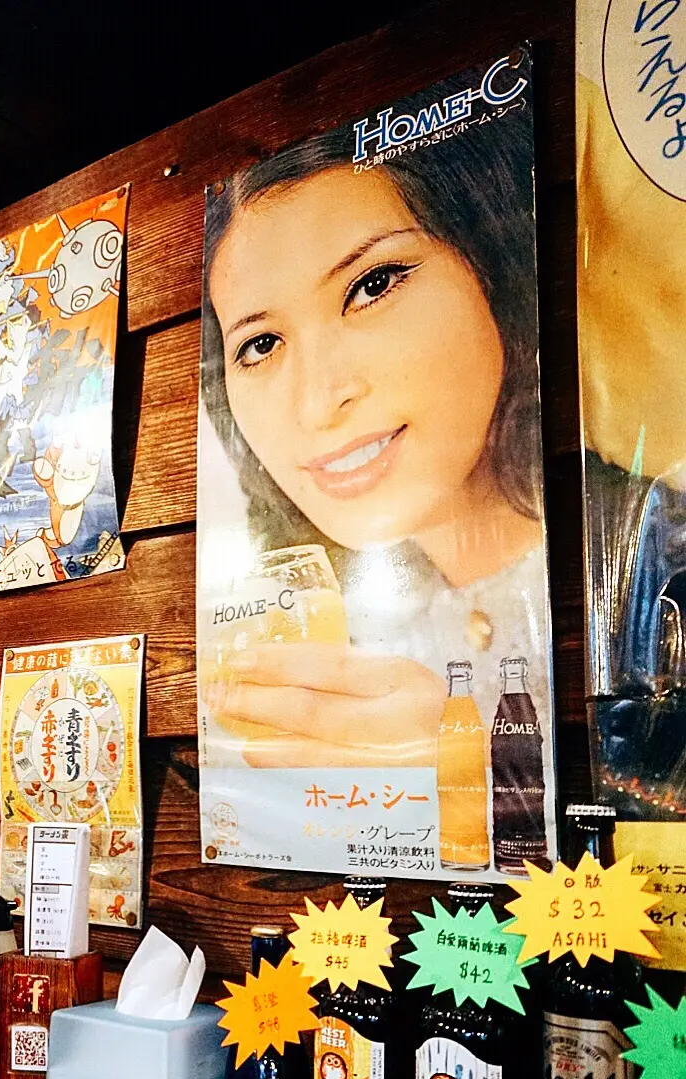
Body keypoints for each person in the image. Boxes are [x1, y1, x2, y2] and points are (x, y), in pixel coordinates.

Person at [199, 78, 549, 770]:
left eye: (372, 285)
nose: (317, 403)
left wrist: (464, 774)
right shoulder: (322, 636)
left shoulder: (653, 559)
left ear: (492, 266)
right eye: (261, 344)